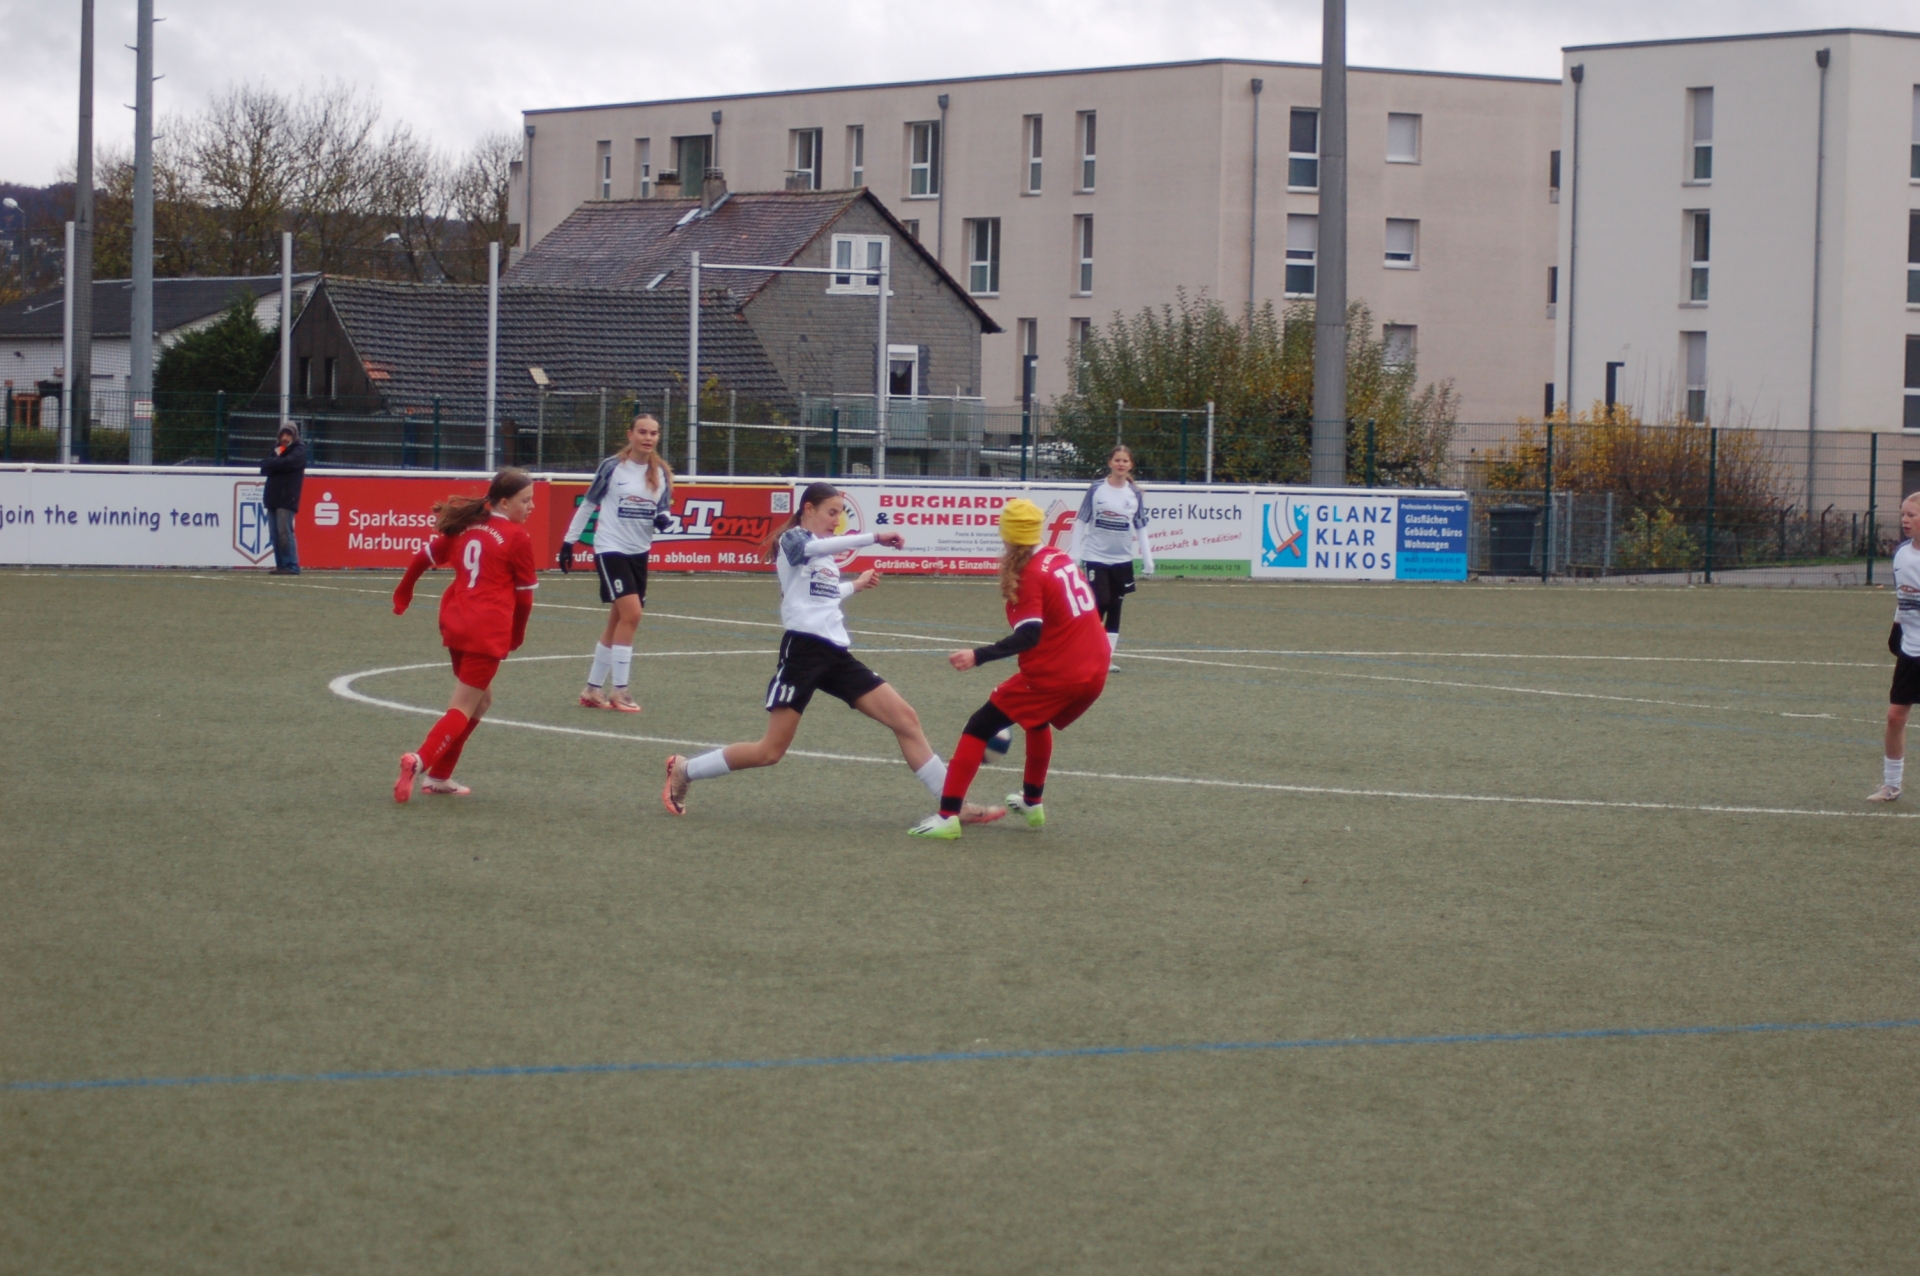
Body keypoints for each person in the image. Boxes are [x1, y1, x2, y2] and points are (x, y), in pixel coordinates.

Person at [662, 481, 999, 823]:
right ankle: (685, 769)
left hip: (836, 655)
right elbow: (810, 557)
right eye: (832, 512)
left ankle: (953, 804)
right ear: (808, 509)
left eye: (840, 514)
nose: (837, 521)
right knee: (770, 752)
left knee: (905, 719)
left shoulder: (820, 552)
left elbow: (821, 595)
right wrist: (875, 537)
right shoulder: (793, 540)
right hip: (803, 653)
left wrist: (856, 585)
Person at [908, 498, 1111, 840]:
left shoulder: (1030, 574)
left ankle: (947, 817)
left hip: (1063, 671)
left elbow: (1030, 634)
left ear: (1007, 536)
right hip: (1095, 667)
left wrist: (978, 655)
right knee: (1036, 719)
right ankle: (1032, 802)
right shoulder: (1058, 557)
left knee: (979, 725)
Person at [389, 468, 539, 802]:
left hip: (455, 623)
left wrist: (404, 593)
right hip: (486, 630)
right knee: (463, 706)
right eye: (525, 500)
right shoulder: (517, 537)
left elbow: (422, 558)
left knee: (480, 701)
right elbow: (525, 598)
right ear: (504, 502)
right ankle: (419, 761)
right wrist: (517, 635)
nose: (531, 507)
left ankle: (440, 776)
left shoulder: (467, 526)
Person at [559, 414, 674, 712]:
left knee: (618, 620)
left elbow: (663, 509)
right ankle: (620, 691)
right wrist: (569, 542)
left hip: (639, 552)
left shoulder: (661, 471)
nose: (648, 438)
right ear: (630, 434)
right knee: (632, 615)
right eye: (642, 432)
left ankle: (591, 690)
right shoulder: (612, 467)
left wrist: (663, 519)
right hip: (611, 549)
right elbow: (589, 503)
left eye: (653, 433)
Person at [1070, 443, 1153, 669]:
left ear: (1131, 465)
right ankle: (1087, 650)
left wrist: (1147, 558)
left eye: (1125, 461)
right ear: (1110, 463)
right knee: (1101, 601)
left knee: (1115, 607)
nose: (1121, 464)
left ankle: (1106, 658)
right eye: (1117, 460)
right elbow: (1082, 520)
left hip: (1122, 560)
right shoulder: (1097, 488)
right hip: (1095, 556)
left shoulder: (1134, 494)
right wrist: (1075, 553)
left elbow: (1141, 526)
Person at [1871, 493, 1920, 802]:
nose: (1905, 520)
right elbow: (1904, 599)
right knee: (1894, 717)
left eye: (1912, 515)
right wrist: (1896, 628)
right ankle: (1891, 785)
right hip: (1911, 651)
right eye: (1903, 514)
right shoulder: (1901, 554)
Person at [260, 421, 308, 575]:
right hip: (272, 497)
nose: (285, 438)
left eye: (288, 435)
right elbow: (264, 467)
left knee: (284, 533)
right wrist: (276, 463)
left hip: (287, 497)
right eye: (283, 434)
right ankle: (281, 564)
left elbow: (289, 463)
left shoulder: (299, 449)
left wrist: (274, 463)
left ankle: (291, 565)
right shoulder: (276, 448)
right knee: (274, 534)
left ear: (294, 436)